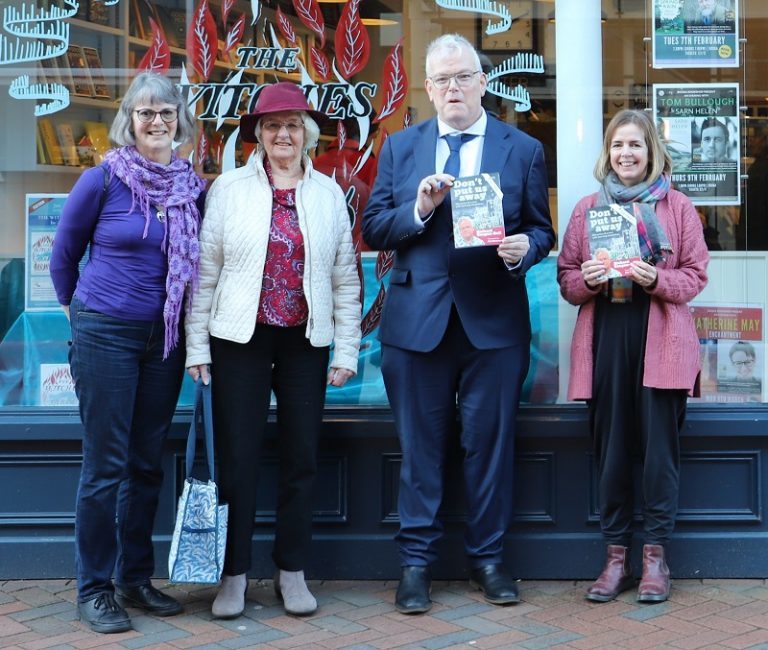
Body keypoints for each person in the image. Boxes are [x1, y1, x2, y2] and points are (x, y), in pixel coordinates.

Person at [362, 34, 554, 614]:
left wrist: (526, 248)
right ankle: (415, 565)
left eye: (463, 77)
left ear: (482, 82)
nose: (452, 88)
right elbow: (373, 228)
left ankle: (489, 560)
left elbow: (542, 230)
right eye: (442, 80)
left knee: (489, 449)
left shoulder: (521, 148)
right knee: (419, 450)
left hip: (493, 324)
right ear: (428, 87)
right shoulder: (400, 148)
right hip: (416, 322)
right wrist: (417, 209)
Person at [184, 82, 361, 619]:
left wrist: (345, 350)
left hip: (306, 340)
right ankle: (234, 575)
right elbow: (204, 274)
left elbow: (345, 278)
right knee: (236, 461)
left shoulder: (328, 193)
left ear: (306, 135)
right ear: (257, 135)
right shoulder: (229, 190)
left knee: (301, 458)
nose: (282, 135)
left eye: (292, 126)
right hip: (240, 339)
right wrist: (198, 345)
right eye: (271, 126)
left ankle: (292, 571)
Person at [49, 72, 205, 634]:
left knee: (145, 463)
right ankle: (93, 588)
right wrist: (81, 312)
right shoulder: (103, 180)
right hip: (106, 334)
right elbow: (63, 256)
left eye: (166, 112)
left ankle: (133, 579)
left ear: (180, 120)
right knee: (105, 466)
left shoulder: (192, 187)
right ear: (129, 121)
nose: (157, 121)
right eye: (146, 113)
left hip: (163, 340)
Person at [557, 109, 709, 604]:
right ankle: (616, 557)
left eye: (636, 145)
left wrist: (655, 279)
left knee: (659, 457)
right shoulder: (586, 209)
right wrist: (589, 280)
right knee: (612, 454)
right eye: (619, 145)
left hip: (660, 338)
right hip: (606, 340)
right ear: (608, 152)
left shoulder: (678, 208)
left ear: (651, 153)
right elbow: (566, 279)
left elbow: (695, 277)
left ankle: (655, 559)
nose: (627, 154)